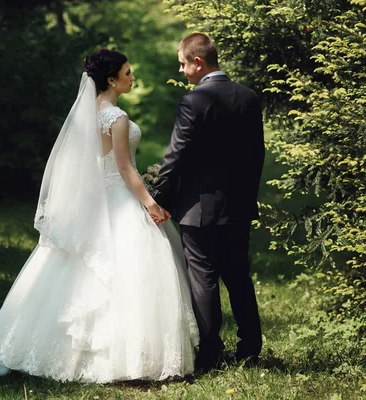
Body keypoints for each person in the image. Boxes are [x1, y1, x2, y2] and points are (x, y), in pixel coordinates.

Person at [0, 49, 199, 383]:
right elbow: (125, 169)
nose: (132, 77)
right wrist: (151, 204)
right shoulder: (117, 117)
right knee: (130, 274)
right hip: (120, 198)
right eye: (127, 73)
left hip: (95, 201)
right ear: (111, 80)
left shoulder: (87, 113)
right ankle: (126, 359)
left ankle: (34, 349)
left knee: (69, 271)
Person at [151, 33, 265, 372]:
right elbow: (256, 156)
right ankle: (249, 349)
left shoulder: (194, 101)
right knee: (239, 276)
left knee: (204, 280)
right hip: (238, 207)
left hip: (198, 208)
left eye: (183, 63)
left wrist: (158, 199)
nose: (182, 69)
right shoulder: (248, 97)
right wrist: (246, 199)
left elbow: (176, 157)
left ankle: (210, 354)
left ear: (198, 62)